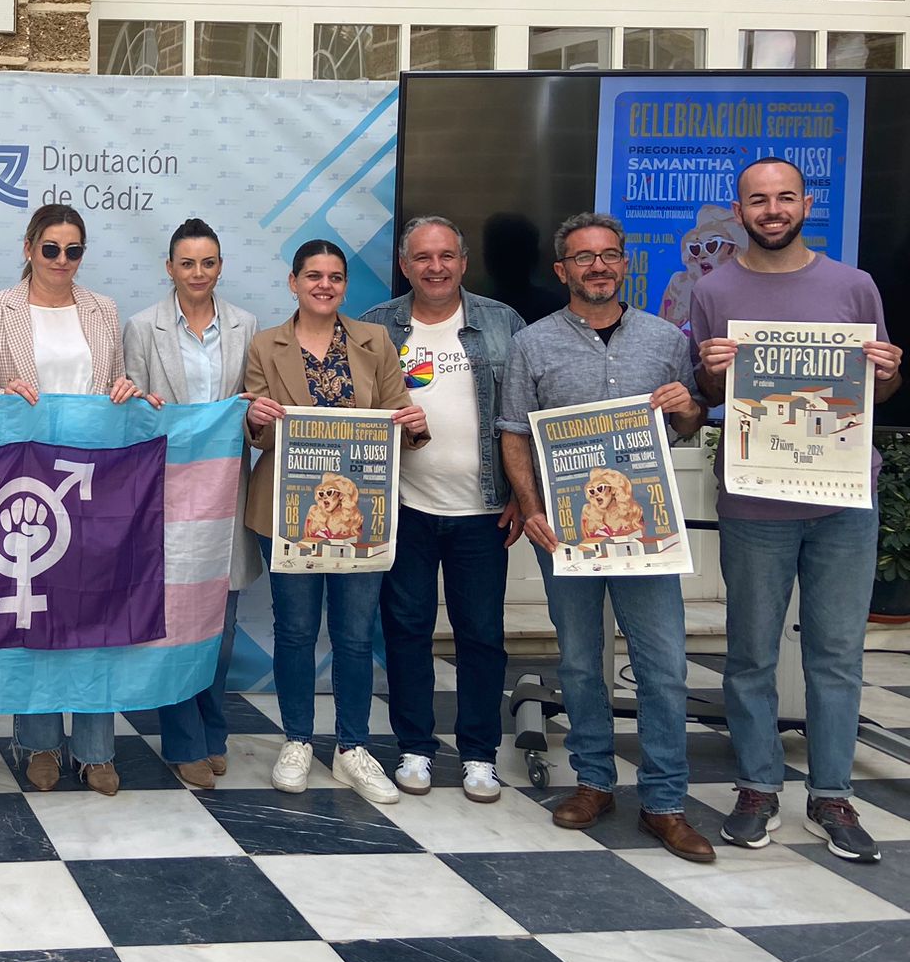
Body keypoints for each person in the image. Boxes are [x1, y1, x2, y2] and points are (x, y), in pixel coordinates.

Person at [689, 157, 901, 862]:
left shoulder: (854, 285)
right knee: (748, 652)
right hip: (756, 499)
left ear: (806, 203)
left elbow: (880, 392)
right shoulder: (713, 290)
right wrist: (710, 372)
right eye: (758, 200)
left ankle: (833, 795)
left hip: (843, 498)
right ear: (739, 209)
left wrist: (891, 374)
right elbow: (704, 389)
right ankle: (757, 787)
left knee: (836, 654)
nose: (772, 210)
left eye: (784, 198)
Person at [499, 212, 714, 862]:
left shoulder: (664, 341)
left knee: (661, 666)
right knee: (581, 662)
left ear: (625, 265)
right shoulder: (532, 343)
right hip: (565, 531)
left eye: (609, 255)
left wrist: (687, 408)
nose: (598, 266)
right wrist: (532, 509)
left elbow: (686, 425)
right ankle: (594, 783)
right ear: (562, 269)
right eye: (583, 257)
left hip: (644, 532)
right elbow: (513, 431)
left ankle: (666, 802)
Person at [0, 202, 151, 795]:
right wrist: (2, 390)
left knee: (98, 610)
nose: (62, 260)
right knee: (36, 611)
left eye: (73, 250)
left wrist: (126, 388)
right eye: (50, 248)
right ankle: (40, 741)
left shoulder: (104, 310)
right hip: (26, 479)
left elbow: (114, 384)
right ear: (28, 249)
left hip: (96, 478)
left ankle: (97, 748)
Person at [244, 240, 427, 807]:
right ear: (293, 281)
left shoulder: (374, 343)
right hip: (286, 513)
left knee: (353, 634)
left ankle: (352, 748)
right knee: (295, 632)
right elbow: (253, 430)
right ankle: (298, 738)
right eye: (314, 276)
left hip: (362, 515)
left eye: (336, 277)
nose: (325, 285)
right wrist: (253, 416)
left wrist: (414, 423)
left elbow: (402, 417)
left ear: (345, 286)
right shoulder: (264, 345)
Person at [362, 217, 525, 803]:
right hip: (402, 508)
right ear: (405, 265)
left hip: (483, 511)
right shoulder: (378, 325)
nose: (436, 267)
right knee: (405, 631)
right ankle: (414, 747)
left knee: (481, 635)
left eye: (447, 256)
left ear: (463, 261)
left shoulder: (503, 322)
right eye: (423, 258)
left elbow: (525, 414)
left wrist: (521, 493)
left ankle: (480, 754)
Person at [126, 218, 259, 790]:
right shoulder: (140, 327)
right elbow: (128, 411)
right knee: (176, 624)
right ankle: (184, 743)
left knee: (221, 626)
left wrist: (252, 411)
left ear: (220, 266)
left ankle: (214, 730)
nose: (198, 273)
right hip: (163, 496)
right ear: (170, 268)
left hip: (226, 493)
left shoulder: (246, 325)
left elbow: (253, 411)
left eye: (208, 263)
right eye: (187, 263)